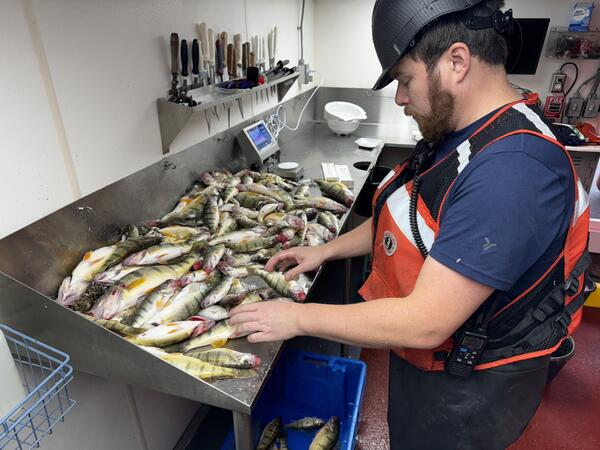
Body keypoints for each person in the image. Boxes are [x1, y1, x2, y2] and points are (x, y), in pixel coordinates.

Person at [230, 0, 592, 448]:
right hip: (435, 359)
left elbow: (425, 322)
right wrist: (325, 250)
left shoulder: (511, 171)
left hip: (467, 391)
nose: (400, 98)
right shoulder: (465, 133)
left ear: (456, 62)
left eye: (405, 79)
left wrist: (298, 318)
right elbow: (406, 212)